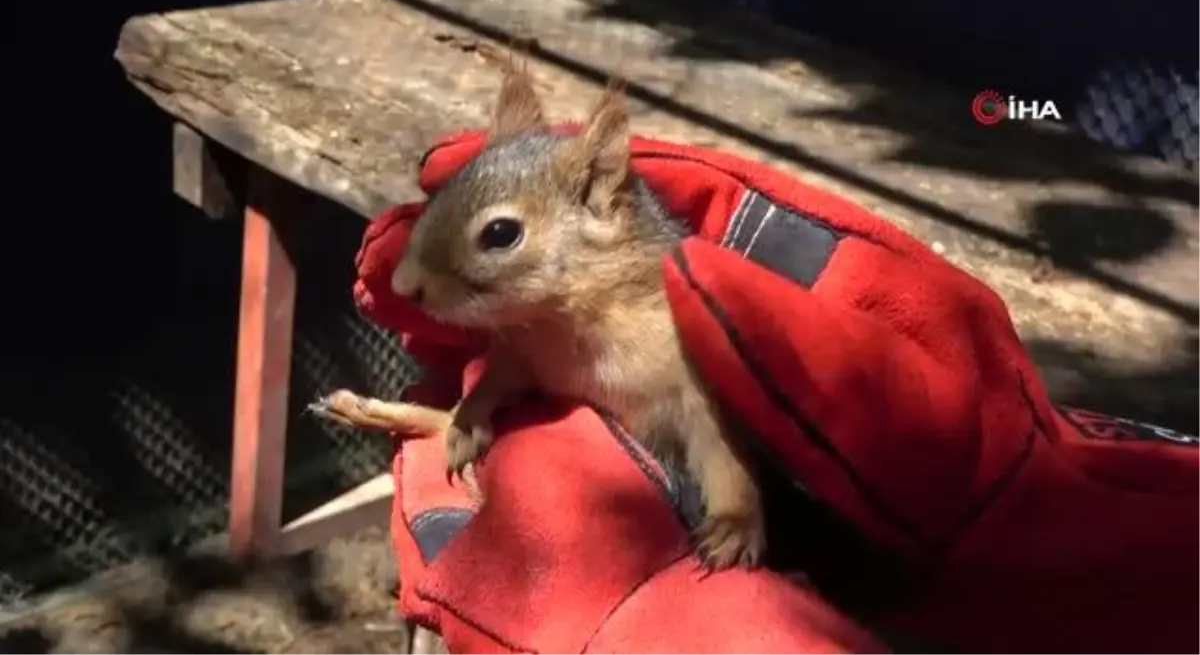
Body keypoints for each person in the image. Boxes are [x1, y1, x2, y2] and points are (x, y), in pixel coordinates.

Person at [352, 128, 1200, 654]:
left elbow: (711, 418)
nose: (424, 281)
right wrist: (474, 408)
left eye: (496, 238)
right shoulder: (535, 327)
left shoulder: (669, 315)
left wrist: (733, 514)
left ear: (599, 201)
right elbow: (515, 368)